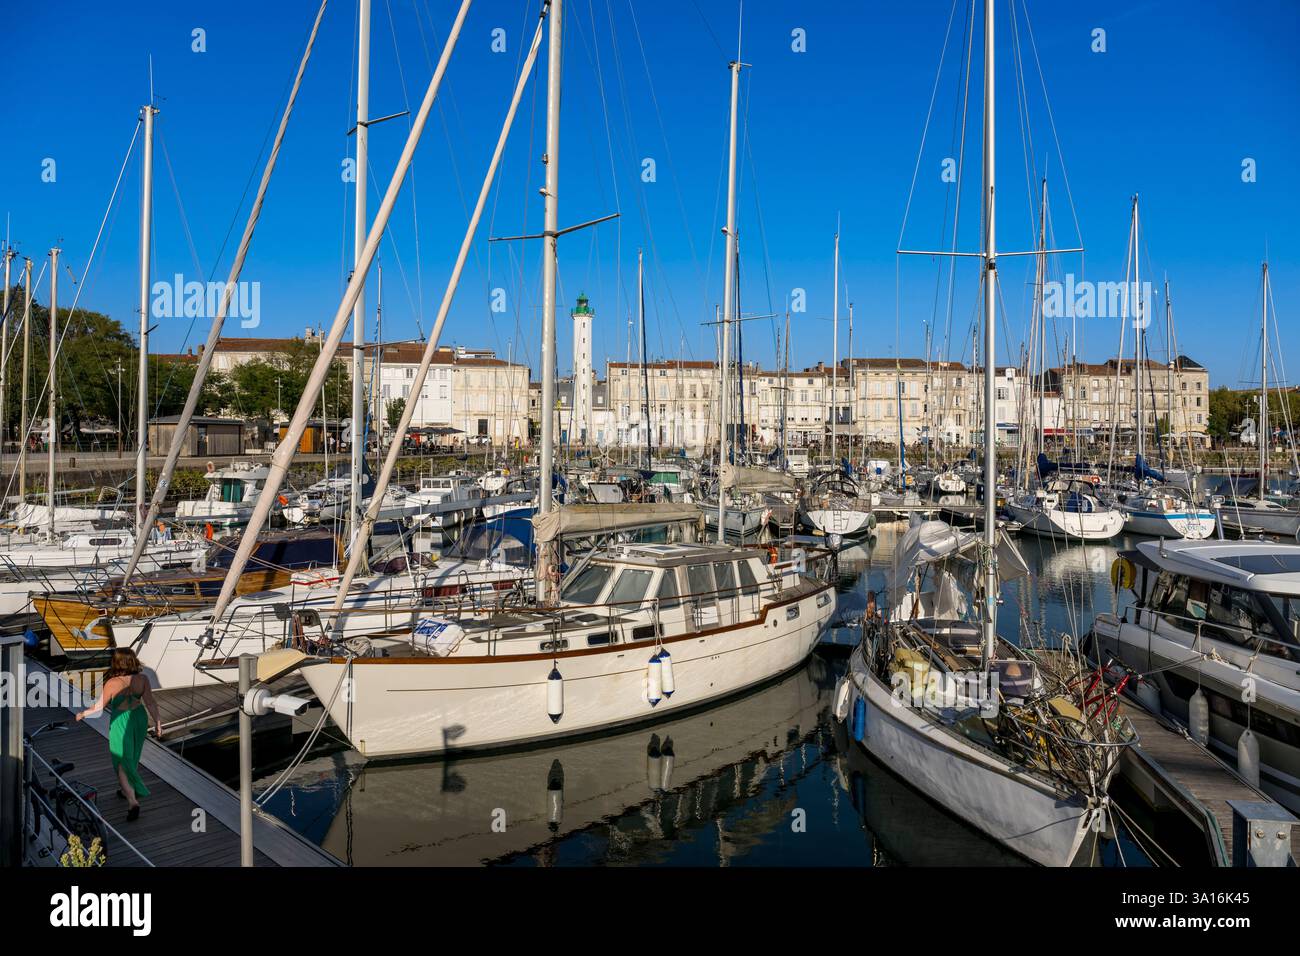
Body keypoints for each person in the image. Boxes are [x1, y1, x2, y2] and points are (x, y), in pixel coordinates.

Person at [76, 649, 161, 822]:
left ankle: (132, 801)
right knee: (132, 756)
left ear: (116, 662)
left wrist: (82, 714)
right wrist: (158, 723)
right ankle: (126, 791)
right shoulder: (142, 679)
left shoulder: (112, 682)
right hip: (139, 718)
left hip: (121, 722)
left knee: (121, 760)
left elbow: (99, 707)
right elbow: (150, 703)